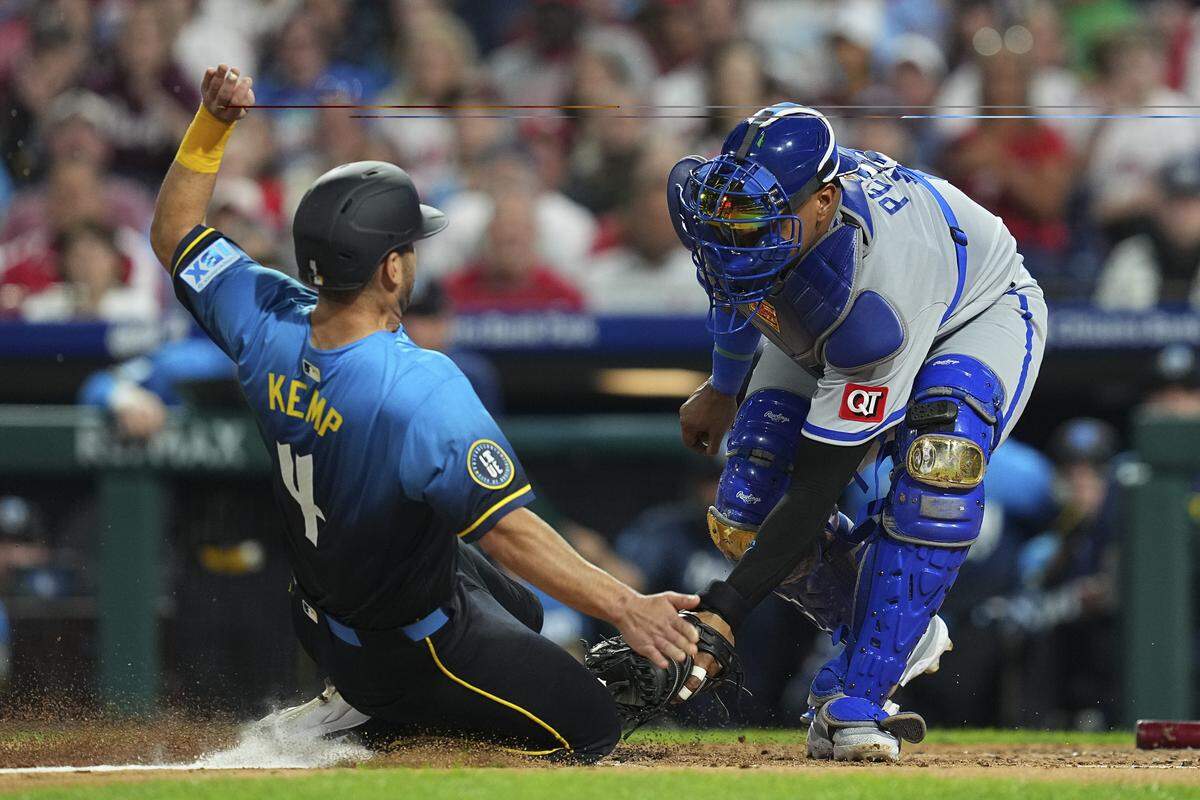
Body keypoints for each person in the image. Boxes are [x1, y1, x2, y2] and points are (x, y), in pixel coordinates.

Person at [148, 64, 701, 761]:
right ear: (388, 269)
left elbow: (173, 234)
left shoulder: (264, 318)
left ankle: (362, 704)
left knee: (522, 610)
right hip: (411, 648)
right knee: (592, 725)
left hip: (321, 617)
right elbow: (512, 535)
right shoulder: (418, 385)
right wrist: (627, 605)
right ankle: (383, 728)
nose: (415, 259)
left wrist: (212, 124)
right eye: (408, 247)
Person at [594, 104, 1047, 762]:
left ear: (823, 201)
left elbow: (818, 490)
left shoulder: (877, 298)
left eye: (756, 214)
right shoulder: (769, 224)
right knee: (743, 509)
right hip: (820, 300)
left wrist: (726, 610)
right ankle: (889, 631)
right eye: (729, 208)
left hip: (975, 310)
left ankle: (859, 696)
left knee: (937, 468)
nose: (734, 227)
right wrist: (723, 387)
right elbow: (734, 279)